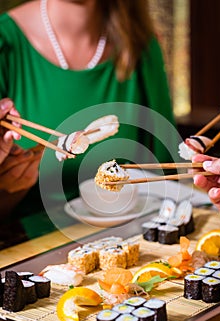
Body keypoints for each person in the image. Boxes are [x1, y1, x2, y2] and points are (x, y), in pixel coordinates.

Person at [0, 0, 177, 238]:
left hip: (130, 241)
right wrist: (9, 192)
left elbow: (166, 174)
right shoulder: (5, 42)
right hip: (25, 250)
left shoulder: (140, 44)